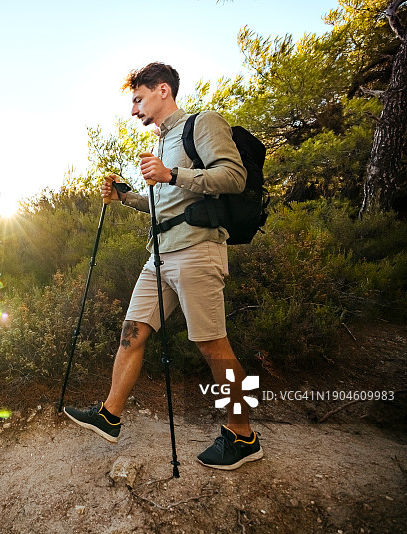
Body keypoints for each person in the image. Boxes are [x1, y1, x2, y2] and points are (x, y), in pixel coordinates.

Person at [63, 62, 263, 471]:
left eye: (138, 99)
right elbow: (166, 201)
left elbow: (233, 176)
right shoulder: (163, 141)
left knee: (213, 345)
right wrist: (127, 196)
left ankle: (243, 436)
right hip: (161, 255)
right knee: (132, 332)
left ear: (162, 91)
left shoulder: (202, 124)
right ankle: (109, 415)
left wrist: (172, 173)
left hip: (196, 251)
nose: (133, 110)